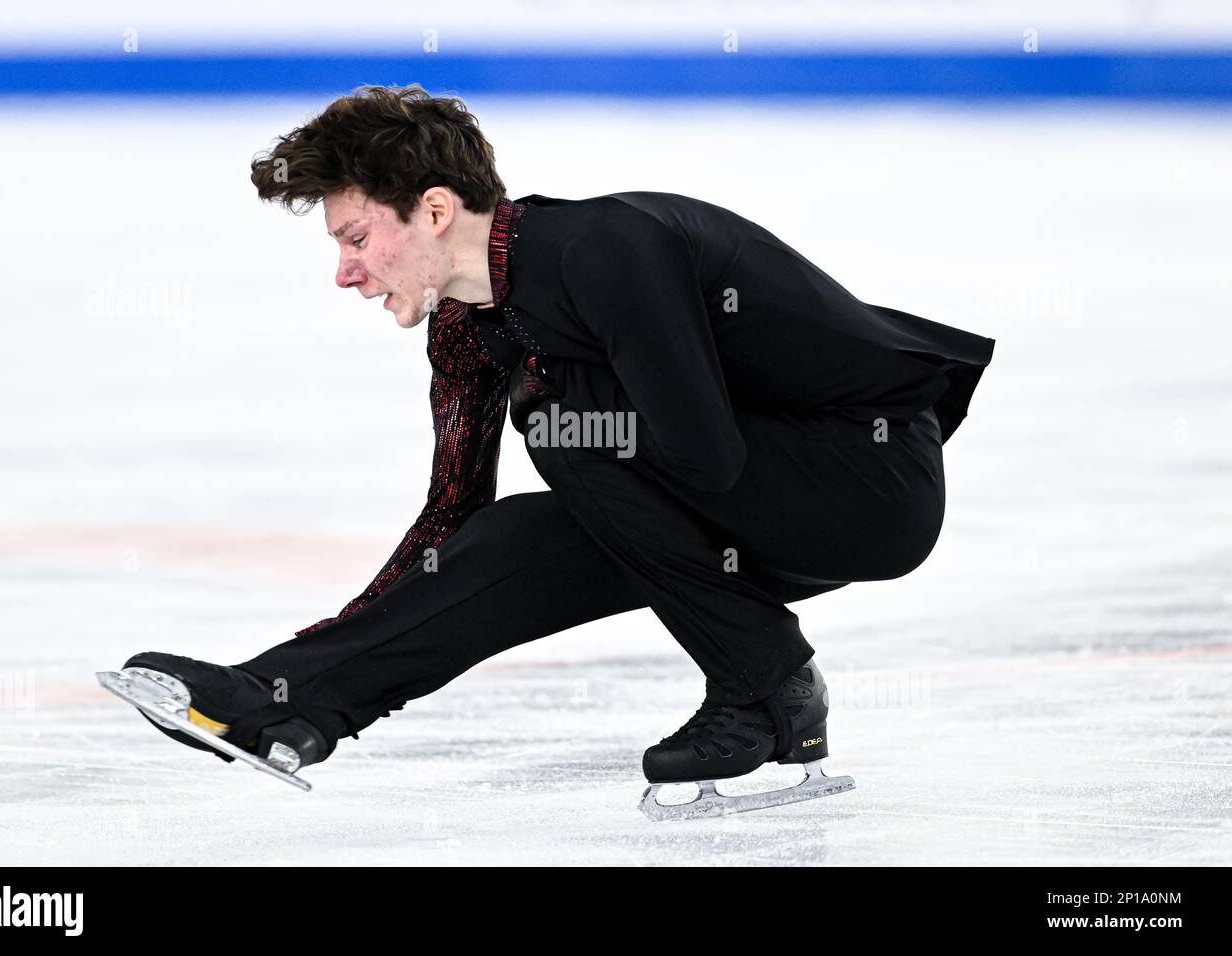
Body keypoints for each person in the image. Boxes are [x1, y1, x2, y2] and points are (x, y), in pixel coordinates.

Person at [118, 83, 995, 817]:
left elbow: (701, 449)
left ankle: (766, 689)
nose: (346, 271)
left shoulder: (606, 250)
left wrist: (555, 400)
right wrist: (311, 658)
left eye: (355, 239)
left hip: (862, 484)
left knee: (565, 428)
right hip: (722, 507)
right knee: (505, 542)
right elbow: (450, 519)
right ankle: (285, 704)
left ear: (432, 211)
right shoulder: (468, 327)